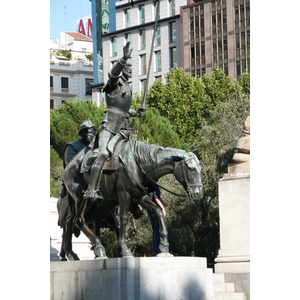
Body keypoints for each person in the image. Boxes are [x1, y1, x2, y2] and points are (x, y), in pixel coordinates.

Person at [83, 42, 144, 201]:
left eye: (131, 67)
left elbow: (122, 109)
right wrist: (123, 59)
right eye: (127, 67)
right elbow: (112, 75)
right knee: (103, 153)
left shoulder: (127, 88)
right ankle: (91, 190)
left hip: (123, 128)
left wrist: (135, 112)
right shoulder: (113, 84)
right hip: (109, 126)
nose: (130, 70)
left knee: (132, 157)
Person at [147, 182, 166, 256]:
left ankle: (155, 250)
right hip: (156, 209)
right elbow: (156, 198)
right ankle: (159, 250)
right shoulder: (154, 185)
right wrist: (163, 208)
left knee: (155, 230)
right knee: (159, 228)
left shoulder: (148, 185)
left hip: (149, 209)